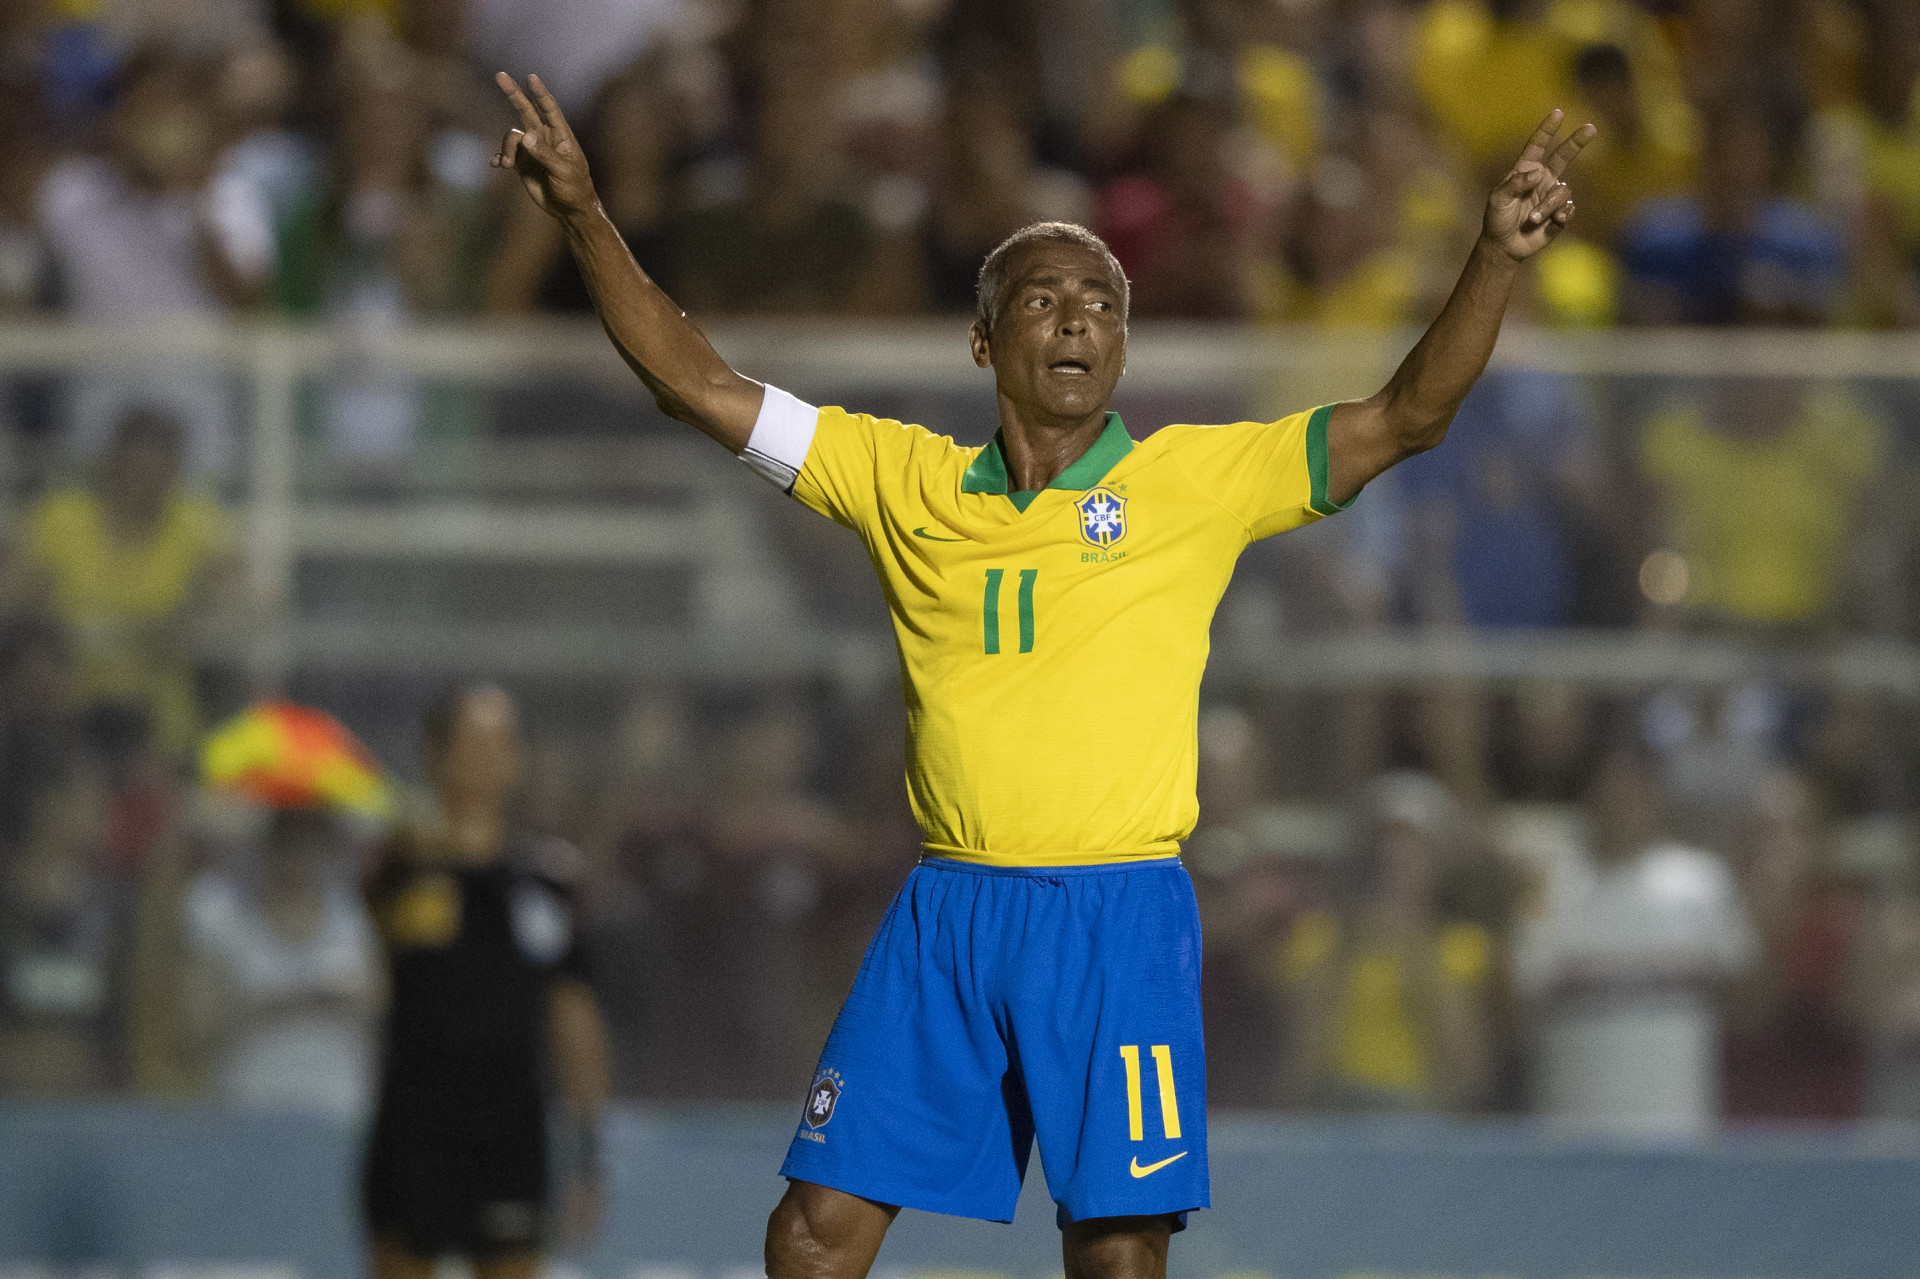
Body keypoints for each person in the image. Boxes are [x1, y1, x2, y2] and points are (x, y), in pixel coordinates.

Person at [490, 67, 1591, 1277]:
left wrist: (1493, 256)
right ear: (981, 338)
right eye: (1044, 298)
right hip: (950, 912)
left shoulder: (1191, 482)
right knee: (810, 1240)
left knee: (1116, 1256)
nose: (1076, 321)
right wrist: (587, 215)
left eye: (1102, 304)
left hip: (1116, 916)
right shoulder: (900, 476)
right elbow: (693, 384)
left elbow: (1405, 417)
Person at [361, 684, 611, 1277]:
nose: (483, 759)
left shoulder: (549, 882)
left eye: (498, 743)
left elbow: (575, 1021)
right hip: (414, 1124)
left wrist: (586, 1154)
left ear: (517, 759)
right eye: (467, 744)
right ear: (435, 755)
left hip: (510, 1128)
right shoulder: (395, 870)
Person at [1511, 750, 1755, 1137]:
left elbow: (1746, 999)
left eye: (1632, 797)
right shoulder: (1551, 887)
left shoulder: (1703, 883)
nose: (1620, 810)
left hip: (1679, 1128)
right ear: (1589, 806)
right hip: (1575, 1133)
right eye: (1608, 798)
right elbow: (1522, 993)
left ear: (1655, 802)